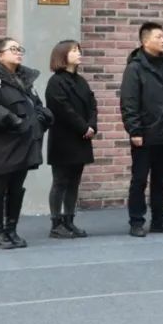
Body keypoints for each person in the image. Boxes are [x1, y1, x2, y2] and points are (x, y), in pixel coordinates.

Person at [0, 37, 53, 249]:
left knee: (17, 186)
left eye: (20, 49)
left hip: (24, 140)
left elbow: (36, 105)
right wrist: (14, 121)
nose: (18, 52)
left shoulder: (23, 79)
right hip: (2, 142)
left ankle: (12, 230)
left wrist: (41, 119)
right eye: (13, 49)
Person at [120, 22, 163, 237]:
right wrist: (134, 130)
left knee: (161, 180)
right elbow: (129, 102)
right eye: (158, 37)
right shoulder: (135, 68)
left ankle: (159, 219)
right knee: (139, 180)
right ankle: (136, 221)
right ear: (145, 41)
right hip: (145, 133)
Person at [45, 39, 98, 238]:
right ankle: (56, 224)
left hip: (82, 138)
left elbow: (92, 105)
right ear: (62, 55)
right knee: (60, 181)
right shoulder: (56, 82)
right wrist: (84, 127)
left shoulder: (81, 81)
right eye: (74, 50)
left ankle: (69, 220)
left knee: (74, 181)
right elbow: (63, 109)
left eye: (79, 50)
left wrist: (92, 125)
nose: (79, 53)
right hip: (63, 138)